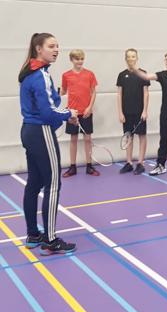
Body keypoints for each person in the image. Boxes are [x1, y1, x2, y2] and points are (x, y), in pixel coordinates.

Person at [19, 33, 79, 255]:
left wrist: (63, 114)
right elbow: (47, 112)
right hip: (41, 132)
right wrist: (68, 113)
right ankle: (51, 240)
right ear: (38, 49)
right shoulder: (40, 76)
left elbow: (45, 108)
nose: (56, 50)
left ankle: (33, 234)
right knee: (53, 184)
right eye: (51, 46)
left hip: (28, 131)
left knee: (34, 183)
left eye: (57, 46)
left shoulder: (30, 72)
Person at [61, 49, 99, 177]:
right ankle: (72, 167)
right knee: (73, 139)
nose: (80, 61)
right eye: (77, 59)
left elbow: (93, 92)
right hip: (72, 113)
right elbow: (63, 91)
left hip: (86, 112)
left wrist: (89, 107)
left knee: (88, 139)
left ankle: (89, 166)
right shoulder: (66, 75)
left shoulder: (90, 74)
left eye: (82, 59)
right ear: (72, 60)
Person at [116, 48, 150, 175]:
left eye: (133, 56)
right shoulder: (121, 75)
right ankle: (129, 163)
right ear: (126, 59)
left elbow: (146, 93)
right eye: (129, 57)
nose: (131, 59)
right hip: (126, 112)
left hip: (139, 112)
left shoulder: (143, 74)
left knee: (142, 136)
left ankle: (140, 163)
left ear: (137, 58)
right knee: (128, 136)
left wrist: (145, 111)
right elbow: (119, 95)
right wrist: (120, 112)